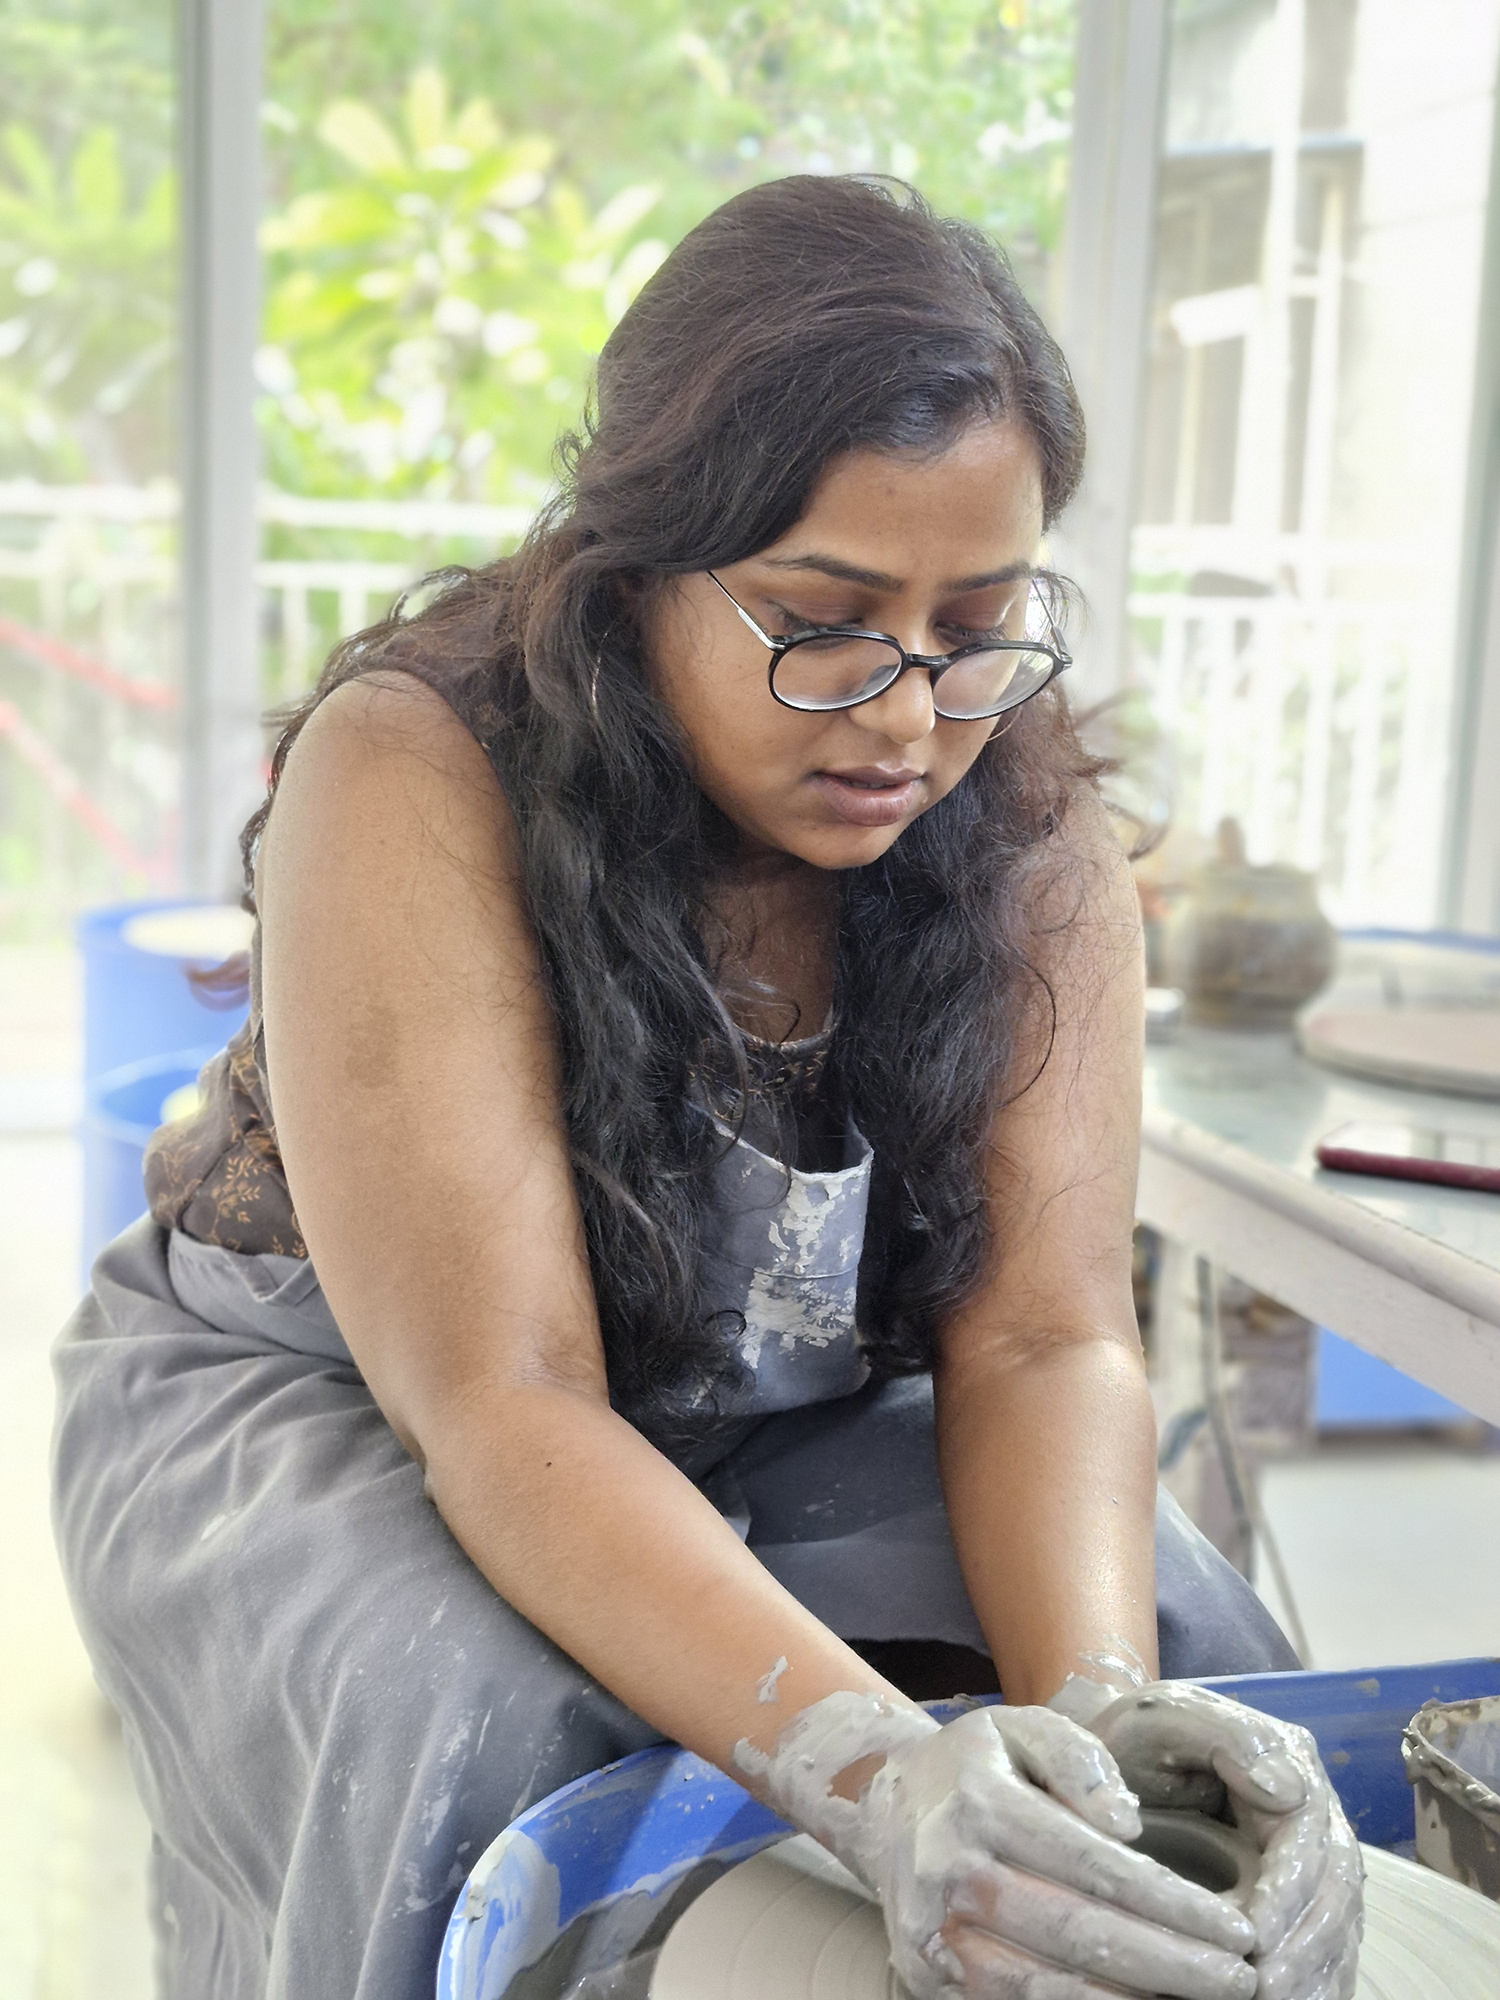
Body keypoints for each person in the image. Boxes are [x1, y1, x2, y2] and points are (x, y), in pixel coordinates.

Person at [52, 176, 1360, 2000]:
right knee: (483, 1724)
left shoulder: (1020, 808)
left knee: (1194, 1664)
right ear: (643, 556)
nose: (907, 715)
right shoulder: (422, 768)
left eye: (975, 620)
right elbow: (507, 1405)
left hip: (774, 1394)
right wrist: (883, 1778)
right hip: (344, 1390)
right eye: (821, 619)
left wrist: (1096, 1741)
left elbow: (1047, 1346)